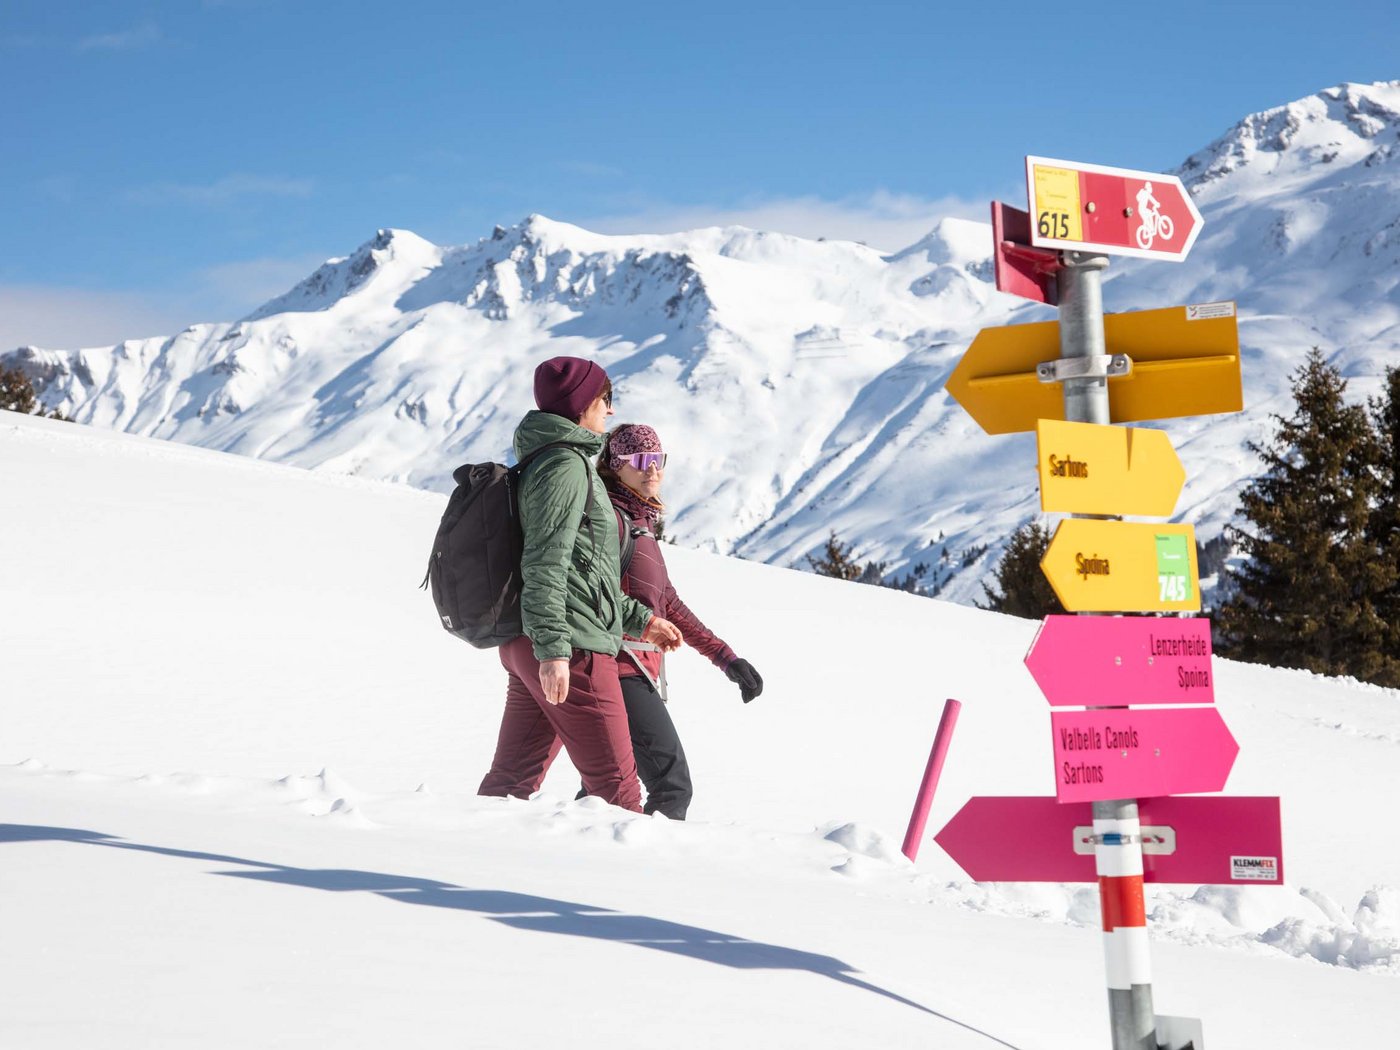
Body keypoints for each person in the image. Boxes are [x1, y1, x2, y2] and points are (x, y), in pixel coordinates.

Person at [478, 357, 683, 813]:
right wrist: (554, 650)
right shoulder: (565, 466)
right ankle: (606, 886)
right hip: (571, 648)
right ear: (584, 403)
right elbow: (545, 562)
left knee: (510, 785)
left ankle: (471, 868)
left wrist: (640, 620)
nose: (609, 412)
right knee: (617, 795)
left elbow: (585, 570)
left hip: (539, 639)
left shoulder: (550, 458)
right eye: (605, 400)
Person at [594, 422, 764, 820]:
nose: (652, 470)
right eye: (640, 460)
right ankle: (649, 876)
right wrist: (643, 626)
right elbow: (593, 593)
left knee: (601, 793)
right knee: (671, 787)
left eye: (657, 460)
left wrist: (726, 658)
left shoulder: (641, 525)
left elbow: (669, 602)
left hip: (631, 667)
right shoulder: (612, 521)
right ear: (617, 466)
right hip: (616, 667)